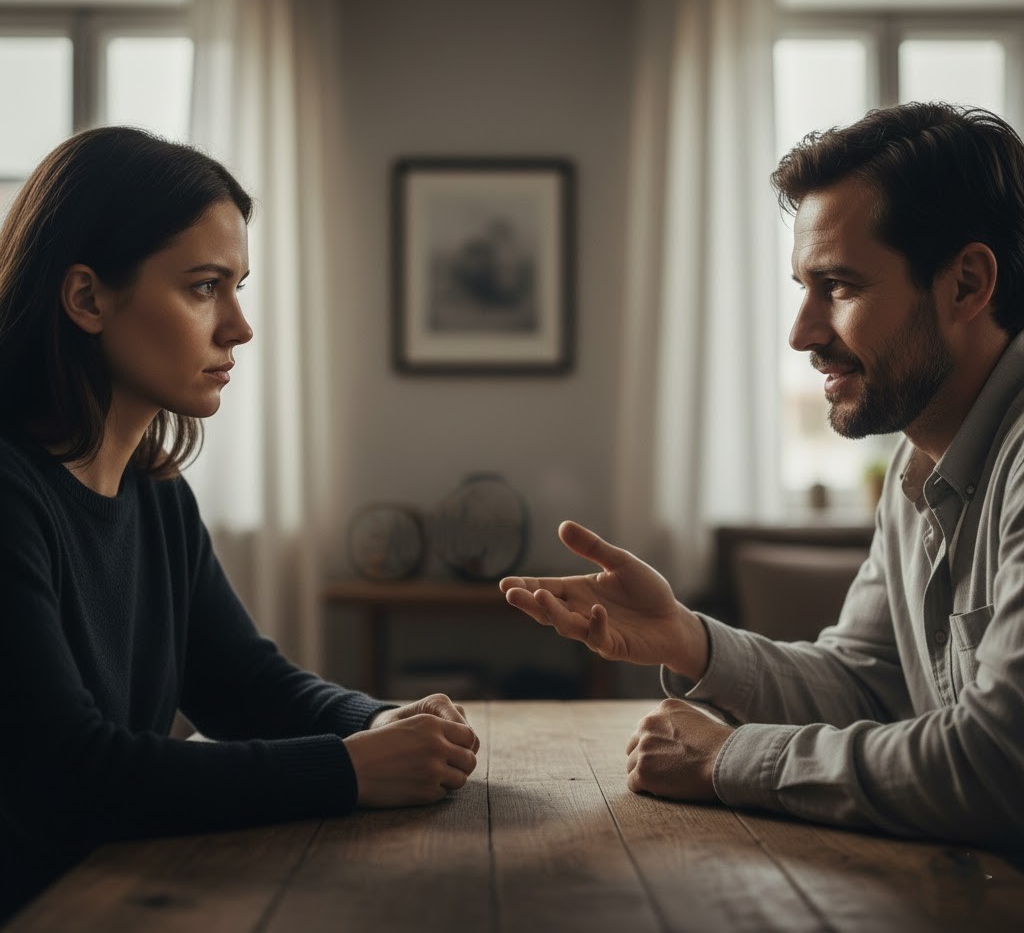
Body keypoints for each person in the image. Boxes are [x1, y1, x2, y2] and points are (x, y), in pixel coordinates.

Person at [501, 102, 1024, 850]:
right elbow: (865, 688)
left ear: (968, 284)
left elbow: (999, 766)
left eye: (838, 287)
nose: (802, 333)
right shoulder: (919, 468)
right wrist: (687, 640)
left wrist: (727, 761)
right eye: (801, 287)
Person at [0, 127, 479, 921]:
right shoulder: (10, 494)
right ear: (87, 297)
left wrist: (379, 721)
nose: (238, 327)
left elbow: (241, 683)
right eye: (201, 287)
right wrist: (349, 769)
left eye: (238, 287)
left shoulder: (155, 493)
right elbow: (69, 777)